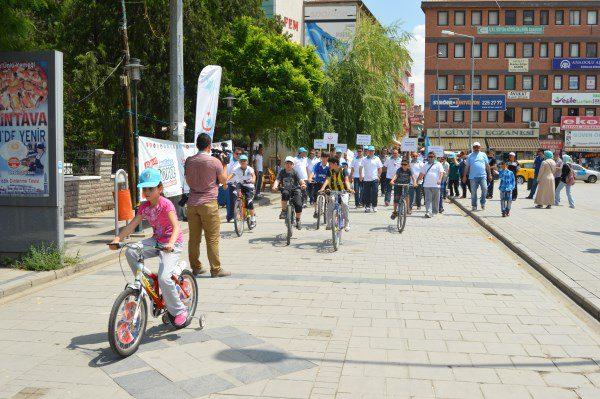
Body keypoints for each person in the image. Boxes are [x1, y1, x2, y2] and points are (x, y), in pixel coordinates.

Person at [110, 168, 189, 327]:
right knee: (131, 250)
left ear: (160, 189)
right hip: (156, 241)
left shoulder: (166, 205)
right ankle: (147, 282)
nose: (146, 192)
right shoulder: (144, 207)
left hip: (172, 244)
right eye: (144, 188)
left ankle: (180, 310)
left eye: (150, 189)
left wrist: (171, 244)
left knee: (164, 278)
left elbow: (176, 227)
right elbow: (132, 225)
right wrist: (118, 238)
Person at [184, 133, 230, 278]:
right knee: (212, 238)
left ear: (197, 145)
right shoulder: (214, 162)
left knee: (194, 238)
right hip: (208, 203)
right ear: (209, 146)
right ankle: (215, 269)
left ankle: (196, 267)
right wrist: (224, 165)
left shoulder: (189, 161)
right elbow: (224, 181)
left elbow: (187, 179)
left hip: (192, 203)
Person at [319, 156, 354, 231]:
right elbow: (327, 180)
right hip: (333, 191)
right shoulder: (330, 171)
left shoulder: (343, 170)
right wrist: (322, 189)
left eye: (330, 164)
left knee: (344, 204)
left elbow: (347, 180)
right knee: (330, 205)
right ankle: (329, 223)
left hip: (343, 191)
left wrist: (349, 188)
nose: (329, 165)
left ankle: (346, 223)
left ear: (335, 164)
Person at [272, 156, 306, 229]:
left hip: (295, 189)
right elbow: (277, 180)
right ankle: (284, 211)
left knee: (299, 204)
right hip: (285, 189)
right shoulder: (282, 172)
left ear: (293, 165)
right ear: (285, 164)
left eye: (290, 163)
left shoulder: (295, 172)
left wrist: (303, 184)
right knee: (284, 194)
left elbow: (300, 180)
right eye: (287, 163)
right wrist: (275, 186)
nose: (288, 165)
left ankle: (298, 220)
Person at [228, 155, 257, 228]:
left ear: (247, 162)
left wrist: (253, 180)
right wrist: (226, 180)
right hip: (240, 185)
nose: (243, 162)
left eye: (245, 161)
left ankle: (253, 219)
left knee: (249, 202)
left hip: (248, 186)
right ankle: (239, 207)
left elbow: (253, 175)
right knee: (238, 192)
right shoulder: (237, 169)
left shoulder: (250, 169)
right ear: (239, 162)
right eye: (242, 161)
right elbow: (232, 174)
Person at [463, 142, 491, 211]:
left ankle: (482, 202)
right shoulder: (470, 156)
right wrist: (464, 176)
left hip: (483, 176)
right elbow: (467, 167)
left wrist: (489, 174)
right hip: (473, 177)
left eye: (478, 147)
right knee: (473, 192)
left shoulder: (483, 154)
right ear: (473, 148)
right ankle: (474, 205)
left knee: (485, 189)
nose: (476, 148)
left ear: (480, 147)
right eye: (475, 147)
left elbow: (487, 165)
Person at [419, 151, 445, 218]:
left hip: (436, 185)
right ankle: (428, 212)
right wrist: (416, 181)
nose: (430, 158)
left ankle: (434, 211)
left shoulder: (438, 164)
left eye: (432, 157)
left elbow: (441, 173)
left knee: (435, 199)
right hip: (427, 185)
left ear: (434, 157)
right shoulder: (425, 165)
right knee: (428, 199)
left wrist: (439, 179)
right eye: (429, 156)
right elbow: (422, 174)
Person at [359, 145, 383, 213]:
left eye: (372, 151)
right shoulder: (364, 159)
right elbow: (360, 167)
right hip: (366, 179)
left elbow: (380, 168)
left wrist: (379, 176)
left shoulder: (377, 158)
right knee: (367, 194)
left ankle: (374, 206)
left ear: (374, 151)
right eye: (370, 151)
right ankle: (367, 206)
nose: (371, 152)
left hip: (375, 179)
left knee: (375, 193)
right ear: (368, 152)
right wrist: (360, 175)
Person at [309, 152, 330, 218]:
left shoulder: (329, 166)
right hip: (317, 183)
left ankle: (328, 208)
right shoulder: (317, 165)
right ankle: (316, 211)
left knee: (329, 196)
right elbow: (312, 172)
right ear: (321, 158)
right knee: (315, 195)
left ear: (328, 158)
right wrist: (310, 178)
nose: (324, 159)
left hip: (326, 184)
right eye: (323, 157)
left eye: (326, 158)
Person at [225, 148, 242, 222]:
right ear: (233, 153)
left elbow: (234, 173)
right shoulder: (229, 159)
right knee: (231, 201)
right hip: (229, 183)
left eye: (240, 154)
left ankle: (241, 214)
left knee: (237, 200)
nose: (238, 155)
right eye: (237, 153)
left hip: (237, 183)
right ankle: (230, 217)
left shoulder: (240, 162)